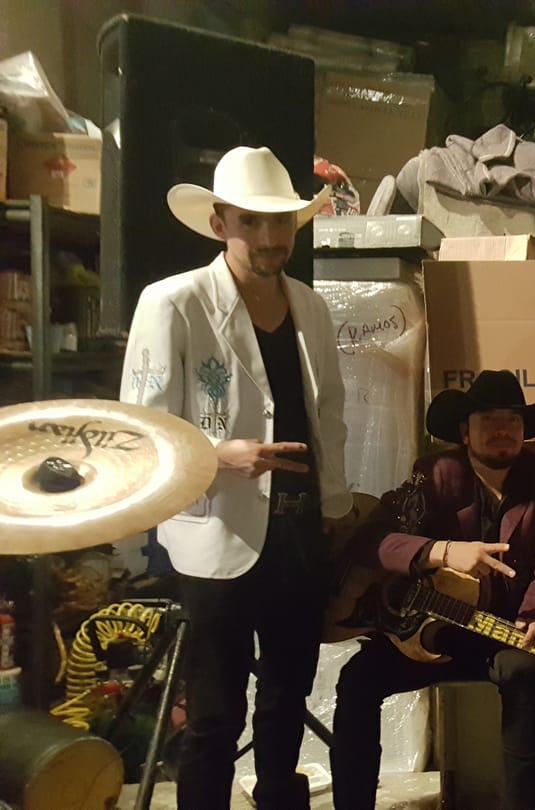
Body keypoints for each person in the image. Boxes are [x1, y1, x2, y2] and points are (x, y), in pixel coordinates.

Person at [120, 145, 352, 809]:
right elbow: (140, 430)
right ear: (220, 223)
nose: (270, 237)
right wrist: (221, 455)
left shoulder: (310, 306)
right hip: (217, 532)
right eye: (252, 222)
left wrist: (335, 508)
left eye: (280, 222)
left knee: (288, 695)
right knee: (216, 713)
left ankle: (278, 796)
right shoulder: (174, 302)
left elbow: (328, 414)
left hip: (300, 536)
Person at [331, 370, 535, 810]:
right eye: (488, 419)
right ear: (464, 430)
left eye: (512, 420)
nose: (502, 430)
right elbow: (371, 540)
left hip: (505, 629)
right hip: (430, 631)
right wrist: (442, 552)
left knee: (524, 671)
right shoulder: (435, 473)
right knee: (357, 679)